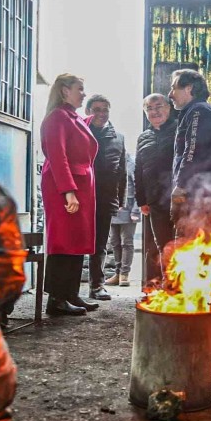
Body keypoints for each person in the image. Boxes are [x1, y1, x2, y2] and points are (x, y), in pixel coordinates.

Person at [40, 73, 100, 316]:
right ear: (65, 91)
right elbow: (58, 156)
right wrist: (68, 192)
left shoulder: (71, 117)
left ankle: (71, 294)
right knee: (63, 240)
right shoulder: (57, 118)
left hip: (79, 186)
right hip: (64, 187)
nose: (83, 93)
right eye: (80, 88)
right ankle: (56, 299)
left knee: (76, 240)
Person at [168, 69, 211, 238]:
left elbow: (193, 150)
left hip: (200, 196)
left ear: (188, 89)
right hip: (202, 192)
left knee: (191, 243)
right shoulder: (196, 111)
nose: (170, 94)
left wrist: (181, 185)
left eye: (174, 88)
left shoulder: (198, 111)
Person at [85, 94, 126, 300]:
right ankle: (69, 289)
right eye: (96, 109)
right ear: (87, 112)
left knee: (100, 245)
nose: (101, 114)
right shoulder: (80, 133)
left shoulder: (118, 138)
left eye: (105, 109)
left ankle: (97, 286)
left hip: (105, 198)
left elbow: (122, 172)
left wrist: (120, 199)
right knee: (76, 244)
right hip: (81, 199)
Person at [134, 93, 177, 285]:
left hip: (179, 198)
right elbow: (138, 170)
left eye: (158, 106)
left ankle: (182, 288)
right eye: (149, 109)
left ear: (169, 107)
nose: (154, 112)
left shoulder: (179, 130)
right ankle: (162, 286)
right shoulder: (144, 136)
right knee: (161, 246)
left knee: (181, 245)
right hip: (154, 200)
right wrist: (141, 200)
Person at [105, 152, 140, 287]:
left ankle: (125, 274)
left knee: (127, 242)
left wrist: (136, 210)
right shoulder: (110, 161)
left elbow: (138, 187)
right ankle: (118, 273)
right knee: (114, 242)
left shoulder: (131, 163)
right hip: (114, 208)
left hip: (129, 209)